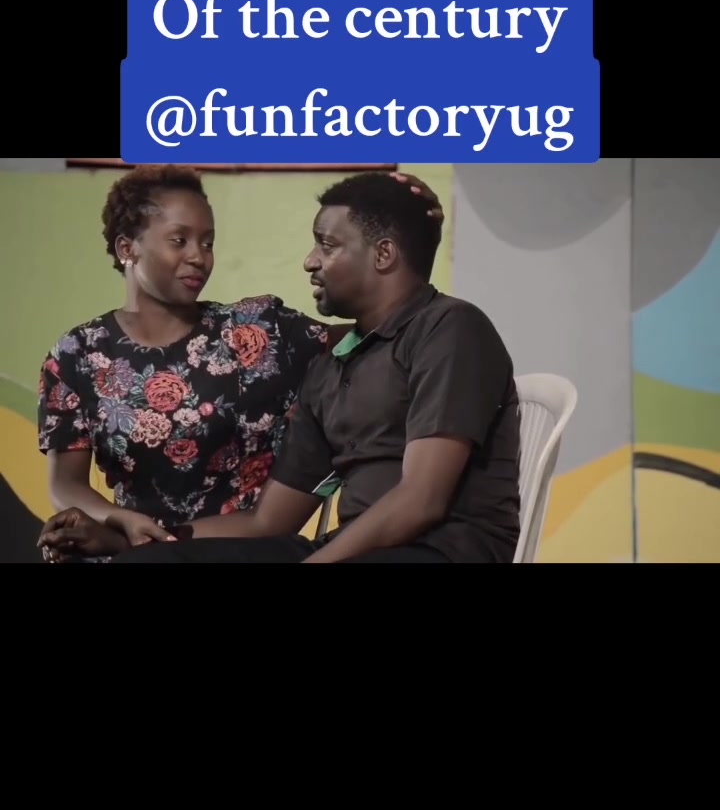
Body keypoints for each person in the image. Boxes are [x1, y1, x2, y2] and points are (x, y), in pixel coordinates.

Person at [41, 172, 520, 566]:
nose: (309, 262)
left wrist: (414, 225)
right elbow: (267, 522)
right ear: (128, 248)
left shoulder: (448, 328)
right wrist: (130, 542)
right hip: (349, 545)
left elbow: (422, 500)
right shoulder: (333, 367)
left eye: (326, 245)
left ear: (383, 253)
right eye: (179, 239)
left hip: (440, 548)